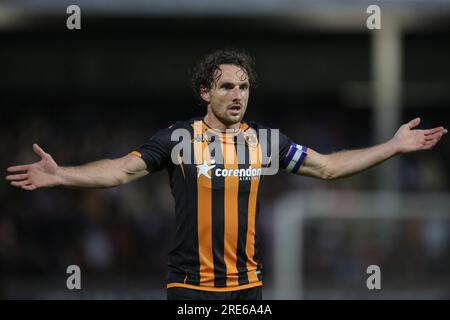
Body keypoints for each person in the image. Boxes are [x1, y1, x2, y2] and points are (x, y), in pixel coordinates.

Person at [6, 49, 447, 300]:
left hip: (248, 292)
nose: (237, 95)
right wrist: (62, 174)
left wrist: (392, 146)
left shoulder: (267, 142)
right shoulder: (179, 138)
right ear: (205, 91)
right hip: (189, 290)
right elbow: (120, 171)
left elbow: (329, 167)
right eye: (226, 86)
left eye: (244, 87)